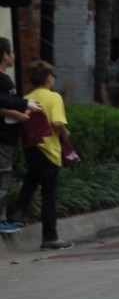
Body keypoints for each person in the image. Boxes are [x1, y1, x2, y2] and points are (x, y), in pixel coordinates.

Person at [8, 61, 73, 250]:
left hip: (31, 149)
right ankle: (50, 237)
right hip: (50, 152)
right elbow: (58, 123)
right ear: (49, 79)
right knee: (49, 195)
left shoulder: (26, 98)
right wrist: (66, 134)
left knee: (31, 181)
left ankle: (19, 214)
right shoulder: (54, 98)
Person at [0, 37, 43, 234]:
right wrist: (23, 107)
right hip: (3, 138)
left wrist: (18, 112)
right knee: (3, 177)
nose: (15, 56)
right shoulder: (2, 80)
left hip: (8, 137)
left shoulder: (5, 79)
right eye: (12, 53)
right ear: (5, 56)